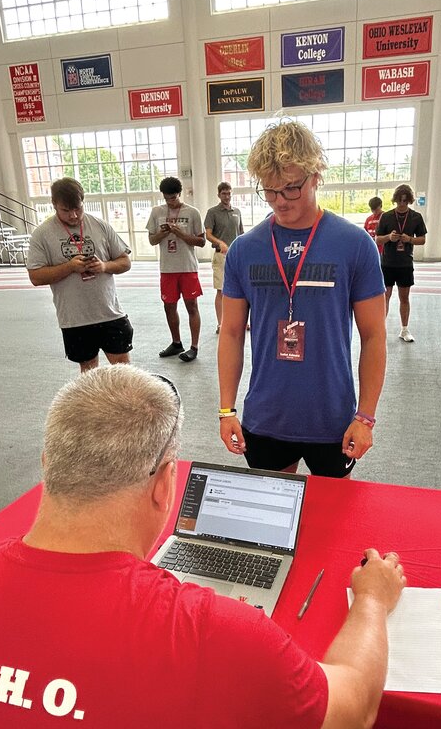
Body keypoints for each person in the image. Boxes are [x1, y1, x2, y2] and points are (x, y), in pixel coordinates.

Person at [0, 364, 406, 729]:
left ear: (48, 466)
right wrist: (371, 599)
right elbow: (357, 707)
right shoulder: (211, 633)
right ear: (166, 485)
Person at [218, 120, 386, 479]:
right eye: (270, 191)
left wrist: (366, 415)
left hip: (333, 417)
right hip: (266, 416)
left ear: (316, 176)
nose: (280, 201)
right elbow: (231, 332)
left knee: (332, 523)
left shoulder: (355, 245)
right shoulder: (244, 250)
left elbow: (374, 336)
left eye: (291, 188)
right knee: (270, 524)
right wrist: (226, 409)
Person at [27, 177, 133, 373]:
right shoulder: (42, 234)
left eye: (78, 209)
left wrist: (104, 266)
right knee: (89, 376)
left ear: (83, 202)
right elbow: (35, 276)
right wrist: (69, 267)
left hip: (109, 313)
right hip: (75, 319)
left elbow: (125, 261)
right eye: (66, 211)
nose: (74, 215)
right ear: (54, 205)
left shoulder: (100, 226)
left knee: (124, 374)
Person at [146, 176, 205, 362]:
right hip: (167, 268)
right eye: (166, 198)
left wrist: (180, 233)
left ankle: (194, 347)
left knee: (192, 306)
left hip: (187, 267)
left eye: (173, 198)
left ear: (179, 194)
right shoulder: (157, 212)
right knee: (169, 306)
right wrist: (162, 233)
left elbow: (201, 241)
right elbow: (152, 240)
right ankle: (176, 342)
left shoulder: (192, 212)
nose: (170, 202)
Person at [376, 184, 426, 343]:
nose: (402, 204)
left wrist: (409, 239)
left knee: (404, 298)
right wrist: (388, 238)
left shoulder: (416, 217)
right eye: (399, 200)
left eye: (405, 201)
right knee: (385, 296)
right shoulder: (386, 217)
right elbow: (377, 239)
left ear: (409, 200)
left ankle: (404, 329)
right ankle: (380, 329)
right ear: (396, 200)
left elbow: (423, 239)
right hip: (388, 263)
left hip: (405, 263)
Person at [204, 181, 245, 334]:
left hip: (237, 256)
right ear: (218, 195)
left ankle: (241, 321)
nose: (227, 196)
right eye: (223, 194)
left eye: (229, 193)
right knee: (221, 290)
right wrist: (220, 243)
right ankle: (221, 324)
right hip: (220, 256)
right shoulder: (212, 212)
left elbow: (241, 234)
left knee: (240, 289)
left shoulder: (237, 211)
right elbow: (208, 235)